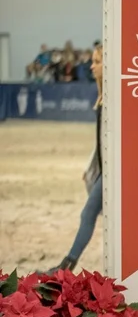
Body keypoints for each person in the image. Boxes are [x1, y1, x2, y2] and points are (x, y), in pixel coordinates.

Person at [45, 45, 104, 274]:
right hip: (102, 170)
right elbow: (101, 140)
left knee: (89, 212)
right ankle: (67, 264)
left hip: (110, 173)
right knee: (90, 213)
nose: (91, 66)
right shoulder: (102, 97)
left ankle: (67, 264)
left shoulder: (113, 99)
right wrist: (91, 166)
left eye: (97, 61)